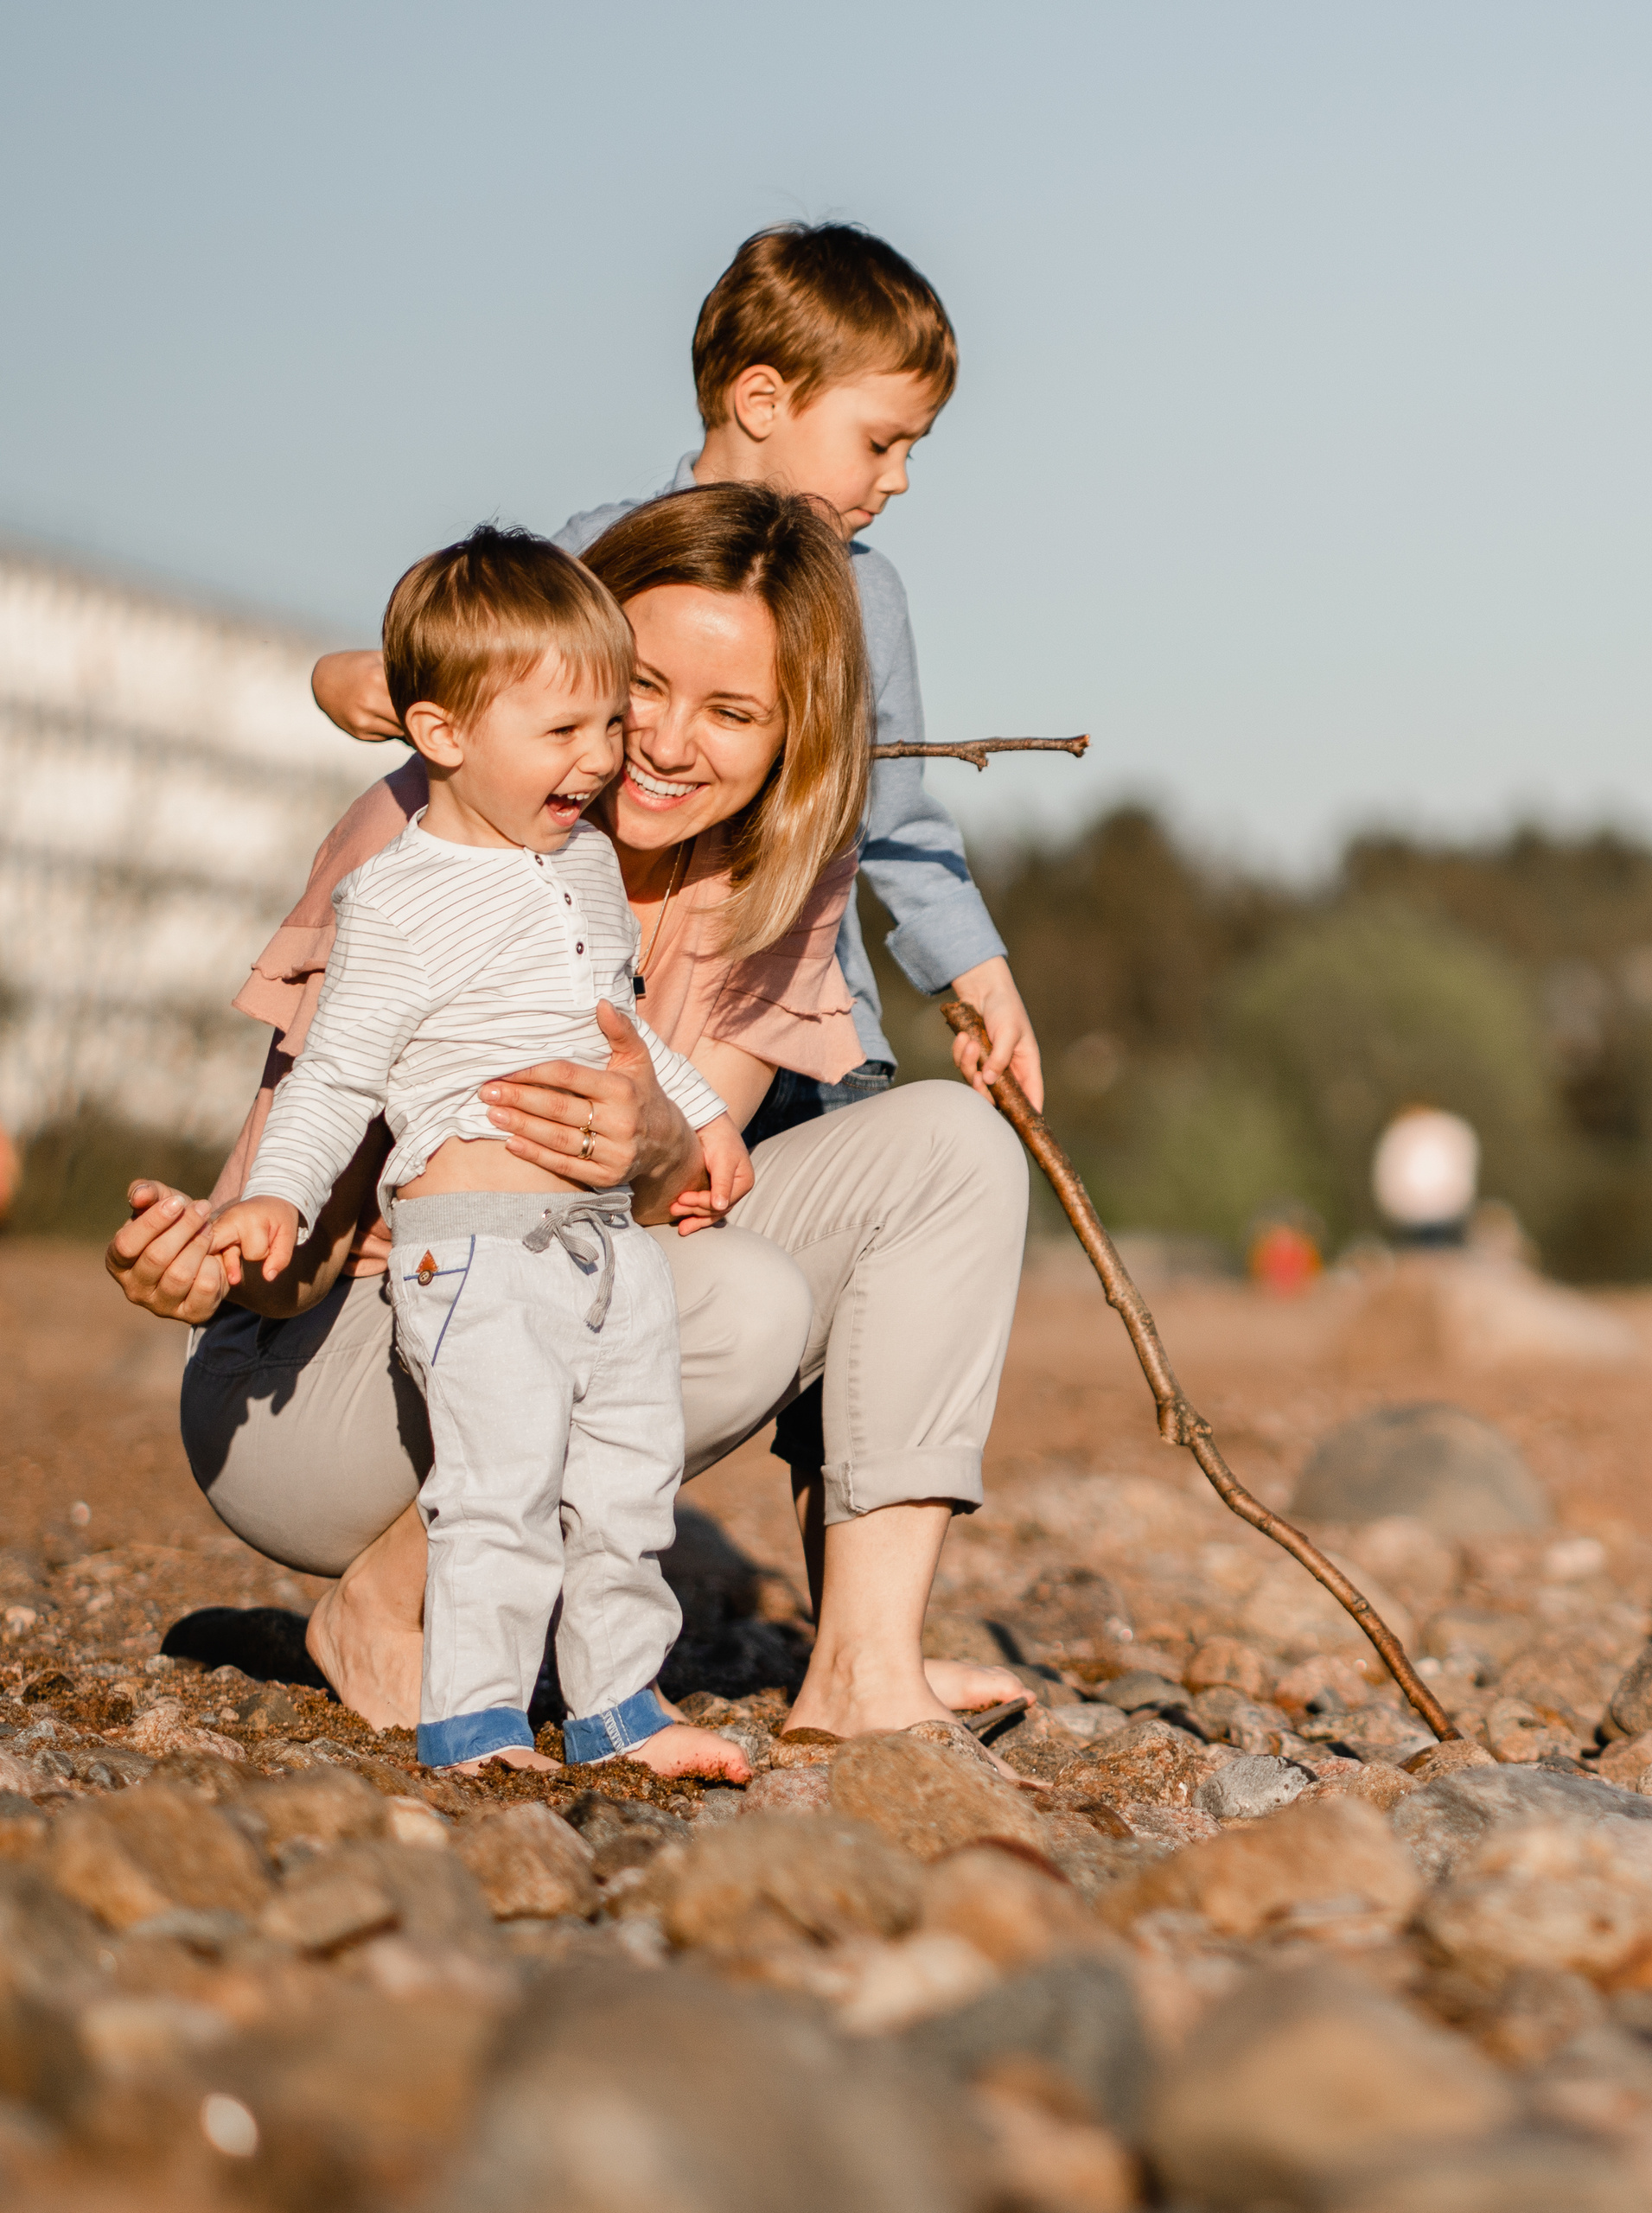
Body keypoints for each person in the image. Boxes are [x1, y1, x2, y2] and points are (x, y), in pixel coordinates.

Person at [107, 485, 1030, 1753]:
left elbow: (684, 1189)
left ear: (788, 735)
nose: (662, 744)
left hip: (570, 1266)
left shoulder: (777, 866)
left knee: (950, 1149)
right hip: (322, 1374)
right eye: (639, 686)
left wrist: (656, 1144)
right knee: (731, 1300)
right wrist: (214, 1254)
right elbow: (296, 1240)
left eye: (733, 713)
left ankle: (864, 1670)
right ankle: (389, 1603)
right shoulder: (419, 840)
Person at [210, 526, 747, 1777]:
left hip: (605, 1247)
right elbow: (336, 1073)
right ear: (442, 733)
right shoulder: (397, 898)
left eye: (607, 725)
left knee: (625, 1488)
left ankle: (619, 1708)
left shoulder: (588, 864)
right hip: (477, 1255)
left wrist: (700, 1114)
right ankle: (475, 1718)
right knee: (498, 1485)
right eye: (562, 732)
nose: (599, 758)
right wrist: (279, 1194)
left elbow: (617, 1028)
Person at [310, 221, 1045, 1121]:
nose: (897, 479)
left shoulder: (868, 599)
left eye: (910, 451)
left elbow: (891, 821)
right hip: (621, 1010)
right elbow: (471, 691)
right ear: (762, 399)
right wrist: (356, 680)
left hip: (808, 1039)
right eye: (879, 442)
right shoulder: (600, 554)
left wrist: (981, 977)